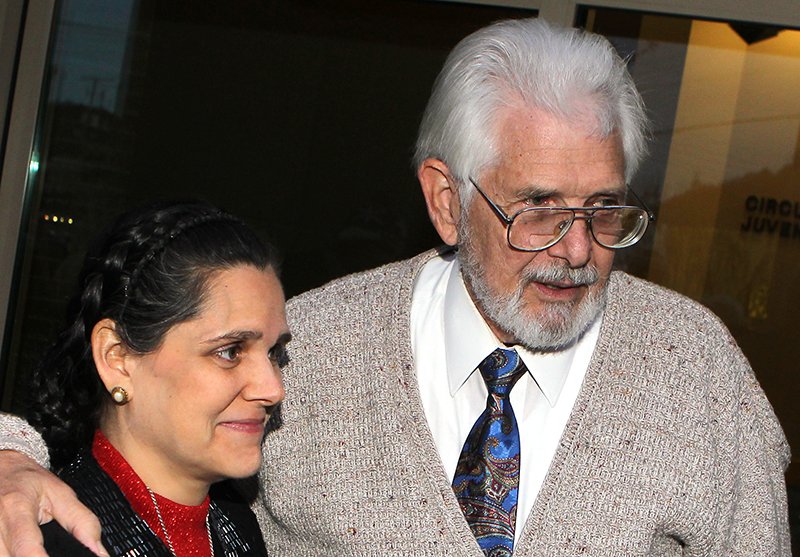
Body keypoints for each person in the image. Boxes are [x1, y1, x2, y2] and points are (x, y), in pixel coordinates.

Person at [0, 17, 791, 557]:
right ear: (446, 200)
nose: (578, 250)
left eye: (603, 208)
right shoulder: (300, 352)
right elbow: (127, 432)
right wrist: (9, 455)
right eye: (538, 209)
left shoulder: (698, 368)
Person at [16, 201, 288, 556]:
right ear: (118, 359)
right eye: (230, 351)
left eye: (274, 353)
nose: (272, 389)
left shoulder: (236, 527)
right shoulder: (45, 540)